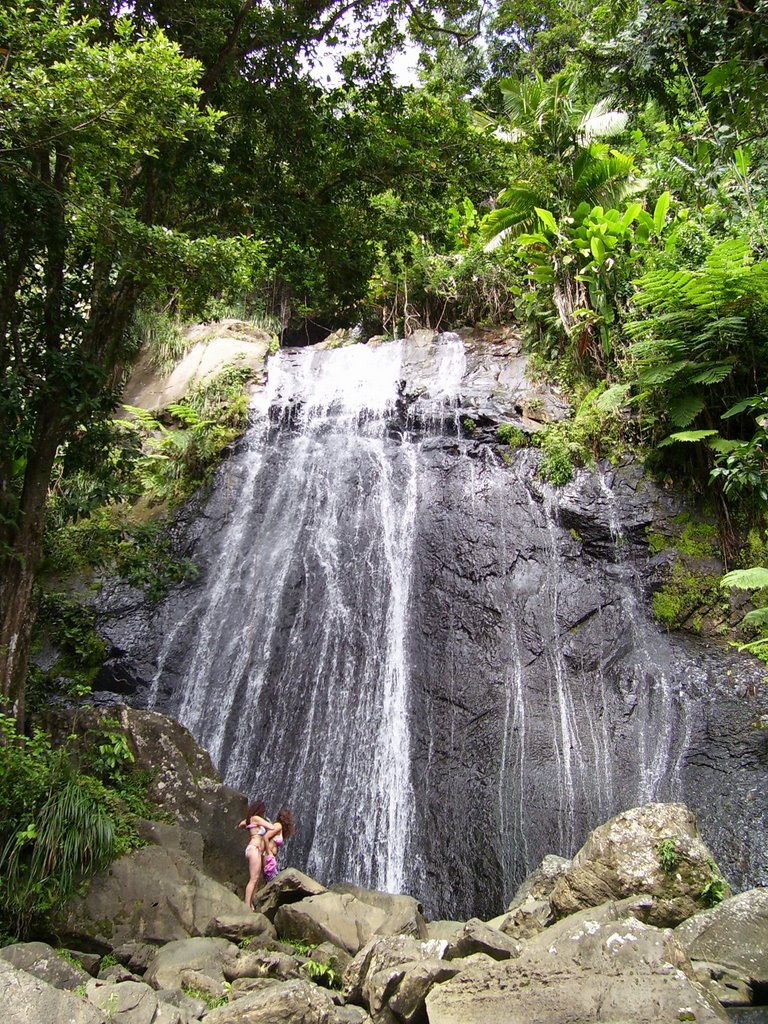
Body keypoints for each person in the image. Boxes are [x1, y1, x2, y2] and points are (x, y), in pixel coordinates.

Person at [238, 799, 271, 911]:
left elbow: (241, 824)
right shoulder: (256, 818)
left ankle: (250, 904)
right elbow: (271, 827)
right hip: (254, 850)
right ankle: (247, 904)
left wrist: (249, 827)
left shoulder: (250, 820)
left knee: (256, 879)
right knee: (253, 878)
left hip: (252, 849)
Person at [261, 808, 295, 882]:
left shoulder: (280, 828)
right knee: (272, 880)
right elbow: (266, 837)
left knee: (271, 880)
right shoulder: (278, 825)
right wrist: (269, 852)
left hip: (271, 857)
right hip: (268, 856)